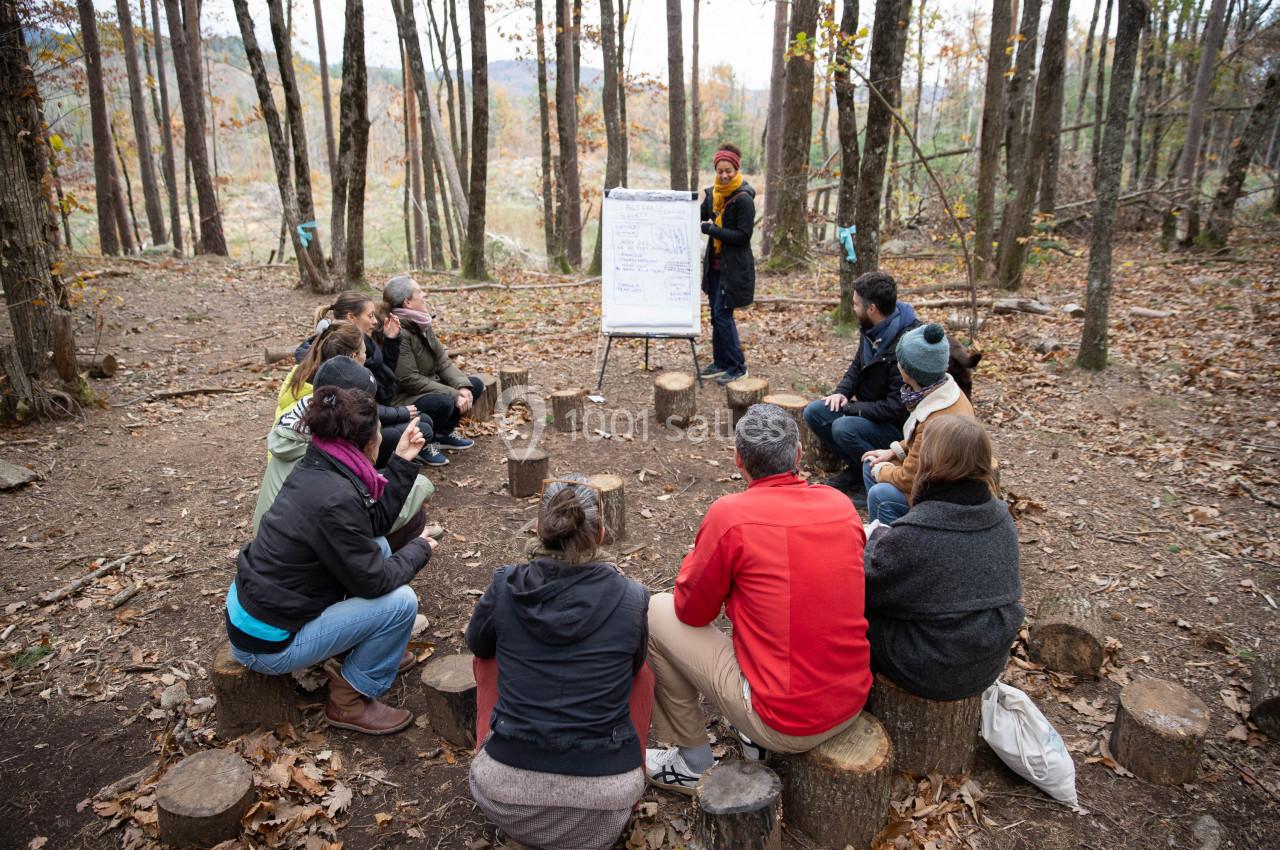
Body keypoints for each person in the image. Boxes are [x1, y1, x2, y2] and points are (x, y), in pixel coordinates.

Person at [644, 403, 871, 793]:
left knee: (655, 610)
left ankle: (693, 762)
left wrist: (697, 563)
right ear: (798, 455)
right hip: (851, 700)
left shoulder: (731, 516)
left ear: (738, 460)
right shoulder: (840, 505)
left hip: (785, 720)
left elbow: (691, 611)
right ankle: (750, 736)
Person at [228, 385, 437, 734]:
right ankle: (348, 700)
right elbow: (374, 582)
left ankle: (367, 649)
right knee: (400, 603)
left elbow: (372, 525)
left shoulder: (321, 464)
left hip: (257, 610)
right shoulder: (334, 496)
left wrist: (401, 462)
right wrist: (419, 549)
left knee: (381, 550)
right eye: (380, 435)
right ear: (368, 441)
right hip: (265, 643)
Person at [465, 475, 653, 850]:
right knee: (642, 673)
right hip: (606, 805)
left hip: (504, 797)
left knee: (487, 657)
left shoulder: (505, 586)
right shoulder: (632, 597)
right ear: (599, 536)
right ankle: (637, 763)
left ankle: (491, 744)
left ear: (539, 530)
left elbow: (477, 644)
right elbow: (630, 670)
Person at [863, 415, 1022, 700]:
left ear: (931, 459)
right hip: (988, 659)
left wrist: (871, 543)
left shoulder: (919, 529)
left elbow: (868, 589)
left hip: (936, 668)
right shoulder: (1000, 515)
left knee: (853, 615)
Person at [252, 356, 434, 551]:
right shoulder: (324, 459)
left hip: (273, 547)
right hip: (298, 561)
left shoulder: (303, 424)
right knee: (413, 513)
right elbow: (366, 518)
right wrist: (420, 485)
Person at [802, 271, 920, 497]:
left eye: (856, 304)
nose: (853, 309)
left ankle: (877, 478)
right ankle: (857, 469)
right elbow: (858, 364)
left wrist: (852, 409)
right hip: (870, 412)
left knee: (844, 427)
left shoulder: (906, 346)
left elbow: (897, 408)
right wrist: (841, 393)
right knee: (816, 411)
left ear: (872, 308)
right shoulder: (872, 328)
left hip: (897, 430)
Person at [861, 323, 975, 527]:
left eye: (900, 362)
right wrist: (893, 452)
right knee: (871, 463)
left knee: (880, 490)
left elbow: (908, 479)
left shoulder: (936, 416)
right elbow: (919, 440)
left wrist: (882, 471)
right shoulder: (941, 390)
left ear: (910, 371)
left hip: (942, 497)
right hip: (935, 479)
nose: (897, 365)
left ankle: (892, 543)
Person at [383, 275, 485, 467]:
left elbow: (442, 360)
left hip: (427, 384)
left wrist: (461, 387)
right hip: (404, 396)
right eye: (419, 291)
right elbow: (408, 379)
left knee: (474, 385)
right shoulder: (399, 331)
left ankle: (441, 435)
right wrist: (453, 394)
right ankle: (423, 443)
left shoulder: (421, 322)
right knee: (444, 401)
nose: (424, 294)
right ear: (407, 302)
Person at [296, 290, 415, 422]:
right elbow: (353, 406)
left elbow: (384, 375)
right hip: (353, 423)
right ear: (351, 317)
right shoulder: (337, 352)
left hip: (378, 407)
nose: (375, 321)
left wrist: (391, 340)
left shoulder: (365, 341)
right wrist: (399, 413)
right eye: (370, 316)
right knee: (423, 424)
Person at [698, 143, 756, 386]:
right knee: (716, 315)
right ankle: (720, 362)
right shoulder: (714, 195)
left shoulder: (744, 199)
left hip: (734, 269)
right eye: (720, 170)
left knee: (723, 316)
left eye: (728, 171)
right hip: (715, 267)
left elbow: (743, 236)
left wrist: (714, 230)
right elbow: (697, 213)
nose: (724, 175)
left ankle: (737, 366)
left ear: (736, 169)